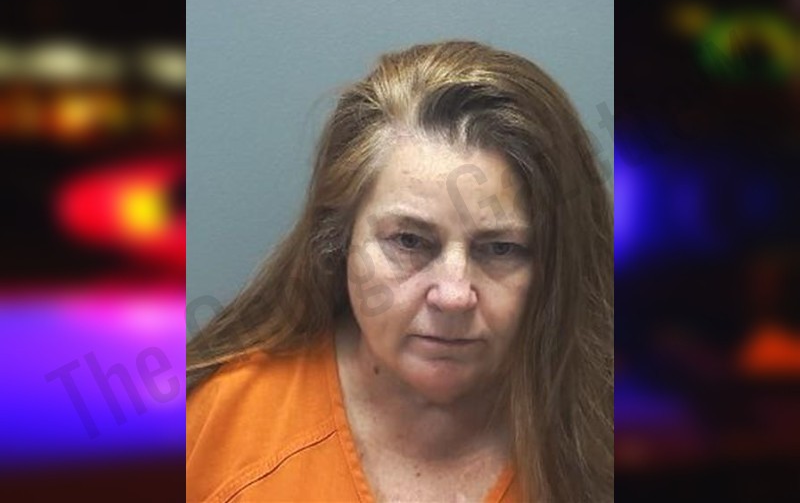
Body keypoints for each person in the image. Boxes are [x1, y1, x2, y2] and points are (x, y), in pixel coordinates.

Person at [186, 40, 613, 503]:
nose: (453, 296)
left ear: (555, 263)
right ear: (338, 241)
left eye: (500, 248)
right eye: (409, 241)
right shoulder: (216, 426)